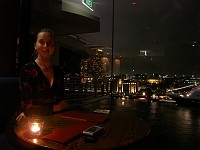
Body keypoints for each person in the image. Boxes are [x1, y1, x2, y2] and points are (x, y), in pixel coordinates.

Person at [16, 28, 68, 121]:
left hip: (55, 119)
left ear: (54, 47)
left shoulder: (58, 71)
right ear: (35, 45)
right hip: (32, 121)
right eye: (41, 42)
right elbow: (27, 108)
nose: (45, 46)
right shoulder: (28, 69)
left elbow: (64, 102)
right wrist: (57, 107)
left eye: (50, 43)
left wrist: (43, 108)